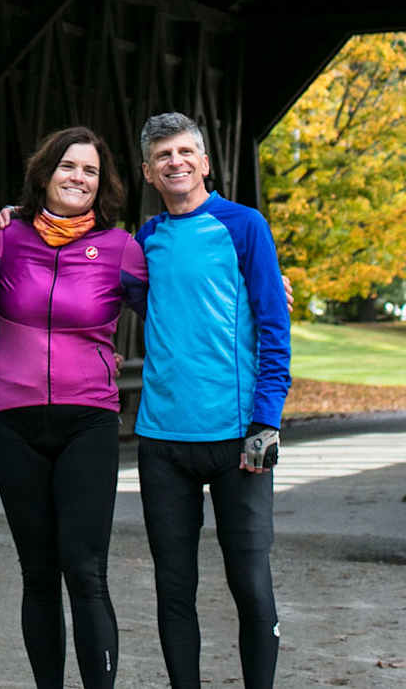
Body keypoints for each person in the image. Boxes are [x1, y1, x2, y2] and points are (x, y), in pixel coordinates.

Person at [0, 125, 147, 689]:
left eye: (91, 171)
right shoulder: (4, 240)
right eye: (68, 167)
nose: (78, 178)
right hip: (12, 421)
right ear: (45, 173)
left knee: (85, 570)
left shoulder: (122, 249)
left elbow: (180, 309)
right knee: (37, 573)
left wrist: (263, 289)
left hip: (87, 422)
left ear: (103, 185)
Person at [131, 111, 291, 689]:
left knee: (249, 580)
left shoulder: (244, 226)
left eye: (184, 152)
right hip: (163, 442)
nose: (175, 163)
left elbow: (274, 326)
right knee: (174, 587)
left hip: (238, 441)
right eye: (162, 156)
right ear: (149, 171)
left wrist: (266, 422)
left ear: (204, 161)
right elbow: (79, 270)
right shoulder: (144, 240)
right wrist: (12, 220)